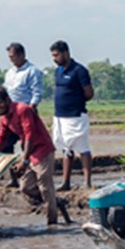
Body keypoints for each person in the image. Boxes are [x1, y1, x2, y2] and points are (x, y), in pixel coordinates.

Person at [0, 86, 70, 226]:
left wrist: (24, 161)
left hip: (42, 149)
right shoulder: (4, 118)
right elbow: (1, 139)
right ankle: (56, 202)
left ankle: (53, 224)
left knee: (45, 187)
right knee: (26, 187)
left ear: (7, 100)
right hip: (30, 152)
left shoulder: (23, 109)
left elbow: (29, 136)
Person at [49, 40, 94, 190]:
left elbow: (89, 93)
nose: (54, 59)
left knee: (82, 147)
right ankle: (65, 182)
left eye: (56, 55)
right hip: (60, 117)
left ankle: (87, 182)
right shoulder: (58, 71)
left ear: (65, 53)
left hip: (75, 115)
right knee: (65, 148)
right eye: (53, 56)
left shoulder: (79, 70)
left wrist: (75, 101)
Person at [3, 42, 43, 109]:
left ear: (21, 55)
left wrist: (30, 110)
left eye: (13, 57)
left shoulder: (32, 71)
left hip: (26, 108)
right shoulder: (10, 72)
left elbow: (37, 93)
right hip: (11, 109)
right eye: (9, 57)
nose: (11, 60)